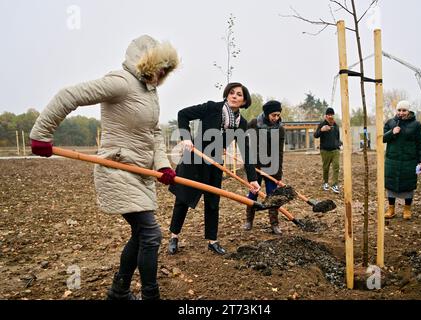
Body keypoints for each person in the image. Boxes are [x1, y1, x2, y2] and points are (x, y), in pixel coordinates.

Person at [29, 35, 179, 300]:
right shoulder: (120, 82)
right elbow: (69, 95)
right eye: (160, 66)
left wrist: (164, 165)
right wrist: (42, 134)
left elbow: (154, 133)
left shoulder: (150, 93)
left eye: (166, 70)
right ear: (146, 62)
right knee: (151, 234)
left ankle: (119, 292)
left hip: (141, 173)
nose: (162, 73)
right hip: (117, 169)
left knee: (141, 234)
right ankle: (150, 295)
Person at [167, 82, 261, 255]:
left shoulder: (241, 123)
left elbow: (246, 151)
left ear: (244, 100)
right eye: (231, 92)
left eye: (239, 94)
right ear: (226, 95)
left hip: (214, 164)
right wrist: (186, 137)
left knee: (212, 202)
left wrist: (253, 178)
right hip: (193, 160)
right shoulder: (211, 108)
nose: (234, 96)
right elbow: (183, 114)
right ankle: (174, 236)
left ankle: (212, 240)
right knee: (183, 199)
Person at [243, 100, 285, 235]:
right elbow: (242, 138)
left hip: (272, 167)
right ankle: (249, 220)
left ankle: (274, 224)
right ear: (267, 114)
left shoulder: (280, 129)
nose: (276, 118)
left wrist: (277, 173)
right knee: (253, 194)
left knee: (273, 196)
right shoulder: (254, 124)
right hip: (255, 167)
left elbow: (279, 152)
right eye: (273, 115)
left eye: (278, 115)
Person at [383, 100, 421, 220]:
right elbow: (381, 138)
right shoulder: (390, 123)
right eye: (399, 110)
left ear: (409, 111)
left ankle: (407, 209)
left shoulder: (416, 125)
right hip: (392, 160)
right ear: (396, 111)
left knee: (408, 184)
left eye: (404, 110)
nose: (401, 113)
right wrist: (392, 132)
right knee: (391, 185)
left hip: (409, 160)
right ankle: (391, 209)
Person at [314, 107, 341, 193]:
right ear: (325, 116)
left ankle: (334, 185)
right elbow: (315, 135)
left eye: (332, 114)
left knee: (336, 166)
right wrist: (321, 130)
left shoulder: (336, 125)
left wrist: (339, 144)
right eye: (328, 115)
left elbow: (337, 137)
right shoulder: (322, 124)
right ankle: (325, 182)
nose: (330, 116)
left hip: (335, 150)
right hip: (325, 150)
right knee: (326, 168)